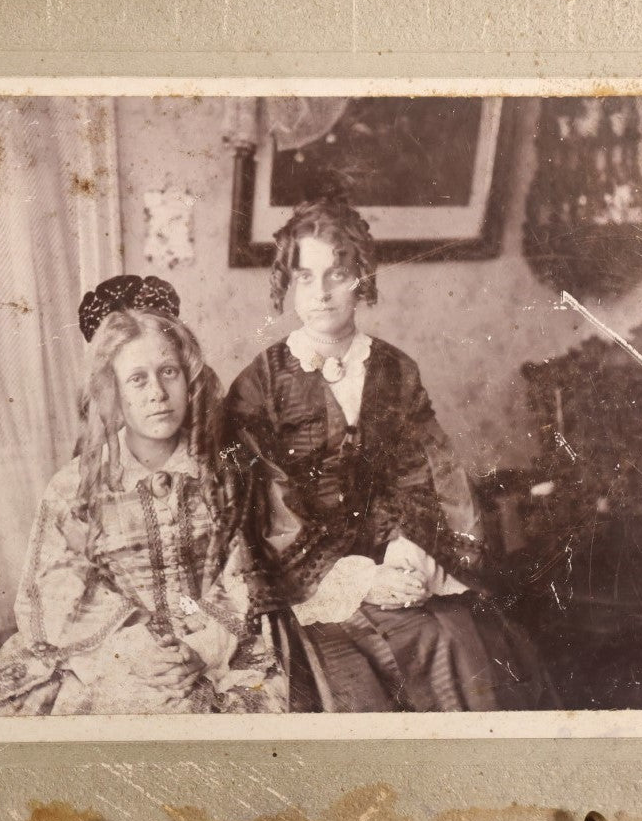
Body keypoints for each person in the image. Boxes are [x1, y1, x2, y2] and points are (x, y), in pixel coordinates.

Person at [226, 197, 542, 712]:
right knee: (373, 663)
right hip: (310, 575)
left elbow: (429, 472)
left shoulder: (395, 369)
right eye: (305, 278)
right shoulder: (261, 381)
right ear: (288, 283)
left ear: (362, 277)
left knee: (464, 640)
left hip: (397, 554)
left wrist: (406, 555)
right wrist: (359, 577)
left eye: (337, 274)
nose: (322, 293)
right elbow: (266, 502)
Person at [0, 275, 287, 716]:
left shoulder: (223, 477)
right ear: (113, 392)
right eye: (137, 379)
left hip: (210, 651)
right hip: (107, 655)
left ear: (189, 379)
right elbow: (56, 591)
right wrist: (129, 649)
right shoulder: (76, 486)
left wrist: (197, 648)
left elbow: (240, 578)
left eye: (168, 373)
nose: (158, 394)